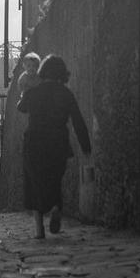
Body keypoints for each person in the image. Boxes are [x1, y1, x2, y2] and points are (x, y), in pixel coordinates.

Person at [17, 54, 91, 239]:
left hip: (35, 142)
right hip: (58, 143)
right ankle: (57, 208)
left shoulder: (34, 92)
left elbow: (21, 107)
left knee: (35, 183)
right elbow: (78, 121)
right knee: (54, 180)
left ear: (43, 71)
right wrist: (86, 147)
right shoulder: (65, 93)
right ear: (61, 73)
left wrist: (24, 93)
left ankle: (39, 229)